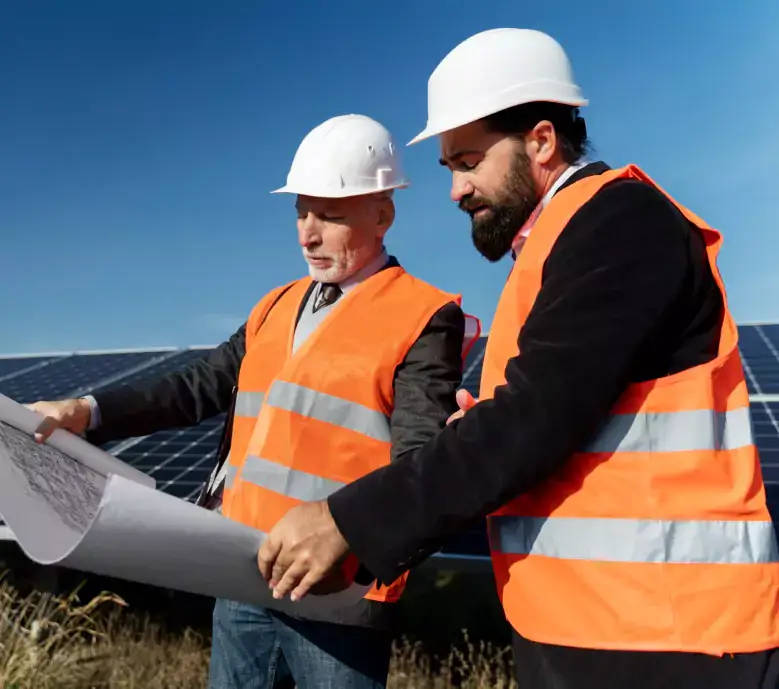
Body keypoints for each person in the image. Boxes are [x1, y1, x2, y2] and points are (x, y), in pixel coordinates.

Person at [255, 29, 779, 689]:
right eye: (449, 167)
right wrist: (479, 425)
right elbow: (551, 416)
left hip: (670, 635)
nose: (455, 190)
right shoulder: (555, 244)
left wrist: (350, 521)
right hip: (593, 621)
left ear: (541, 140)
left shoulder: (620, 221)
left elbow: (536, 417)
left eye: (468, 162)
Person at [27, 113, 479, 689]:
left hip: (337, 597)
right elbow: (197, 386)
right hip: (242, 577)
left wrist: (353, 537)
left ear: (382, 215)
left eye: (330, 215)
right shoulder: (275, 305)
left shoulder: (422, 315)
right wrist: (88, 410)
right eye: (301, 213)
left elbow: (418, 460)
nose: (307, 235)